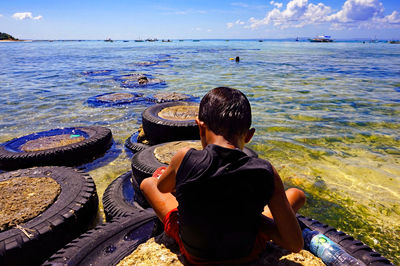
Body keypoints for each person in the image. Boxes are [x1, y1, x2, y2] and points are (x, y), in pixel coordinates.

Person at [140, 87, 306, 264]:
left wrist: (177, 183)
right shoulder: (266, 171)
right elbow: (294, 244)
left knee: (149, 182)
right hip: (246, 253)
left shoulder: (183, 157)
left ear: (200, 127)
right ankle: (252, 221)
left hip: (195, 255)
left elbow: (162, 188)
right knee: (297, 194)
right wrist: (256, 222)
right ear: (249, 135)